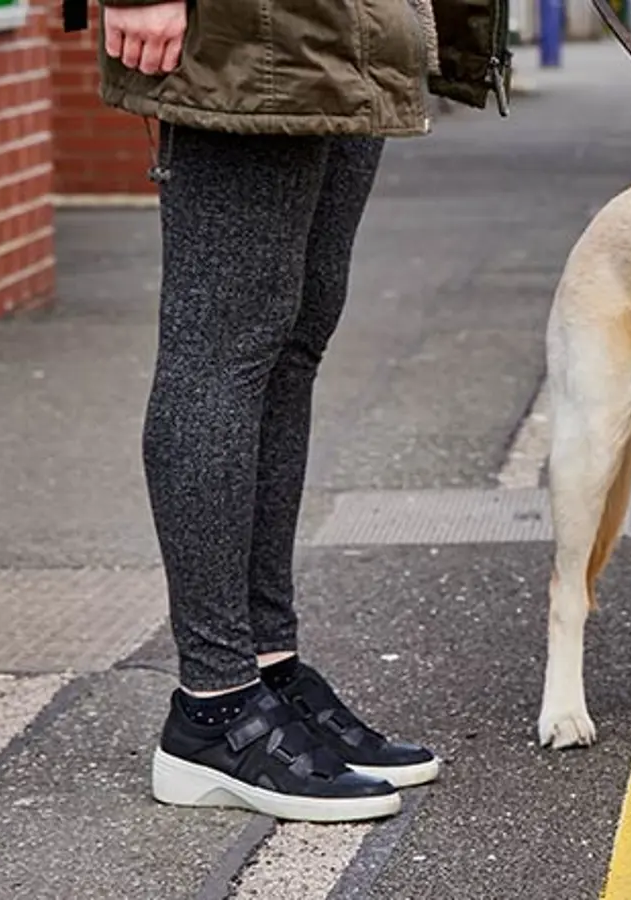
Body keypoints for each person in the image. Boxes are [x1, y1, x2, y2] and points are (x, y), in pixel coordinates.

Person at [90, 0, 503, 822]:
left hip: (350, 30)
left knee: (291, 344)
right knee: (224, 350)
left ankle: (267, 668)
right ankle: (213, 709)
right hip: (259, 30)